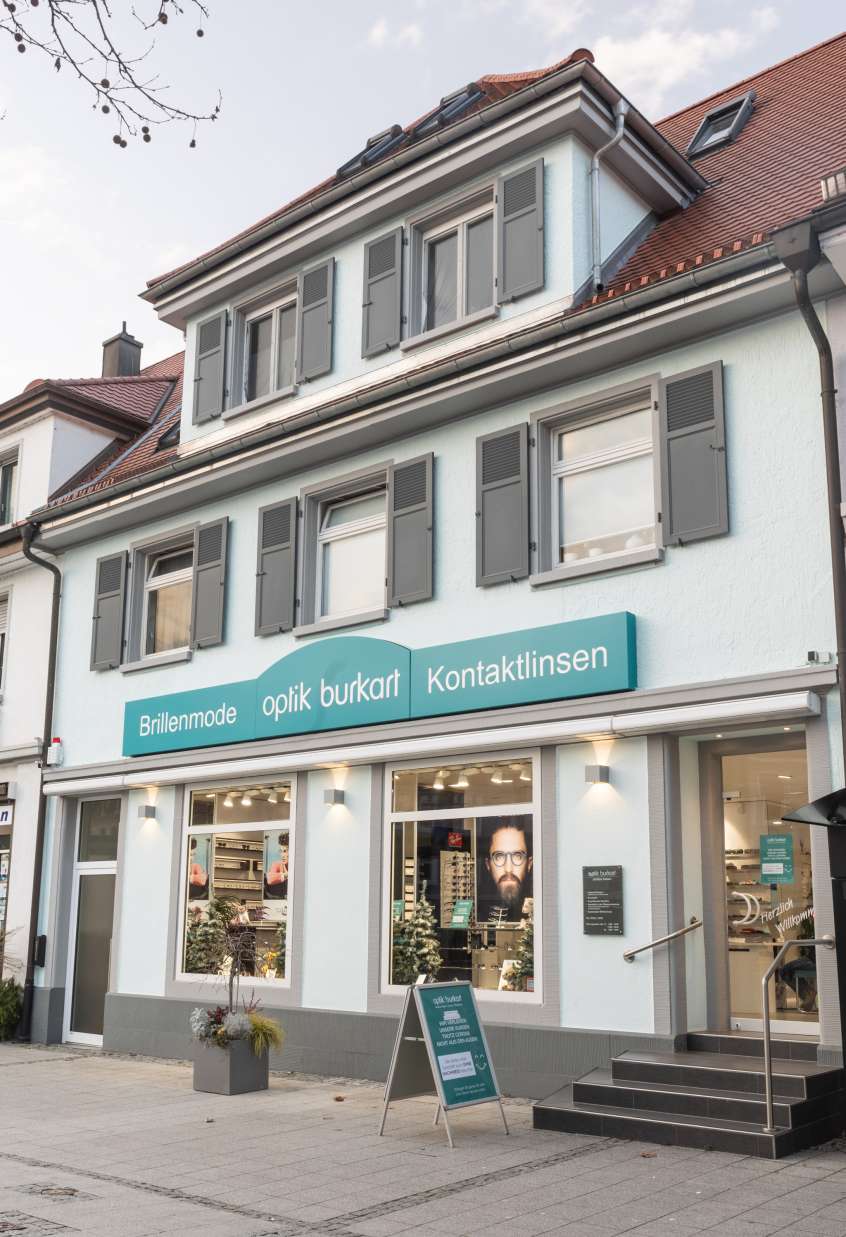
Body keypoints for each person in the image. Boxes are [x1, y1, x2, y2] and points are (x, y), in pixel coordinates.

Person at [476, 819, 533, 924]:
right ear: (488, 865)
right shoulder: (478, 910)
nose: (508, 869)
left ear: (529, 864)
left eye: (517, 856)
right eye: (499, 857)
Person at [264, 835, 289, 900]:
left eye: (285, 851)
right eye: (281, 851)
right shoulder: (277, 864)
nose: (282, 855)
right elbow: (270, 879)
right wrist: (286, 875)